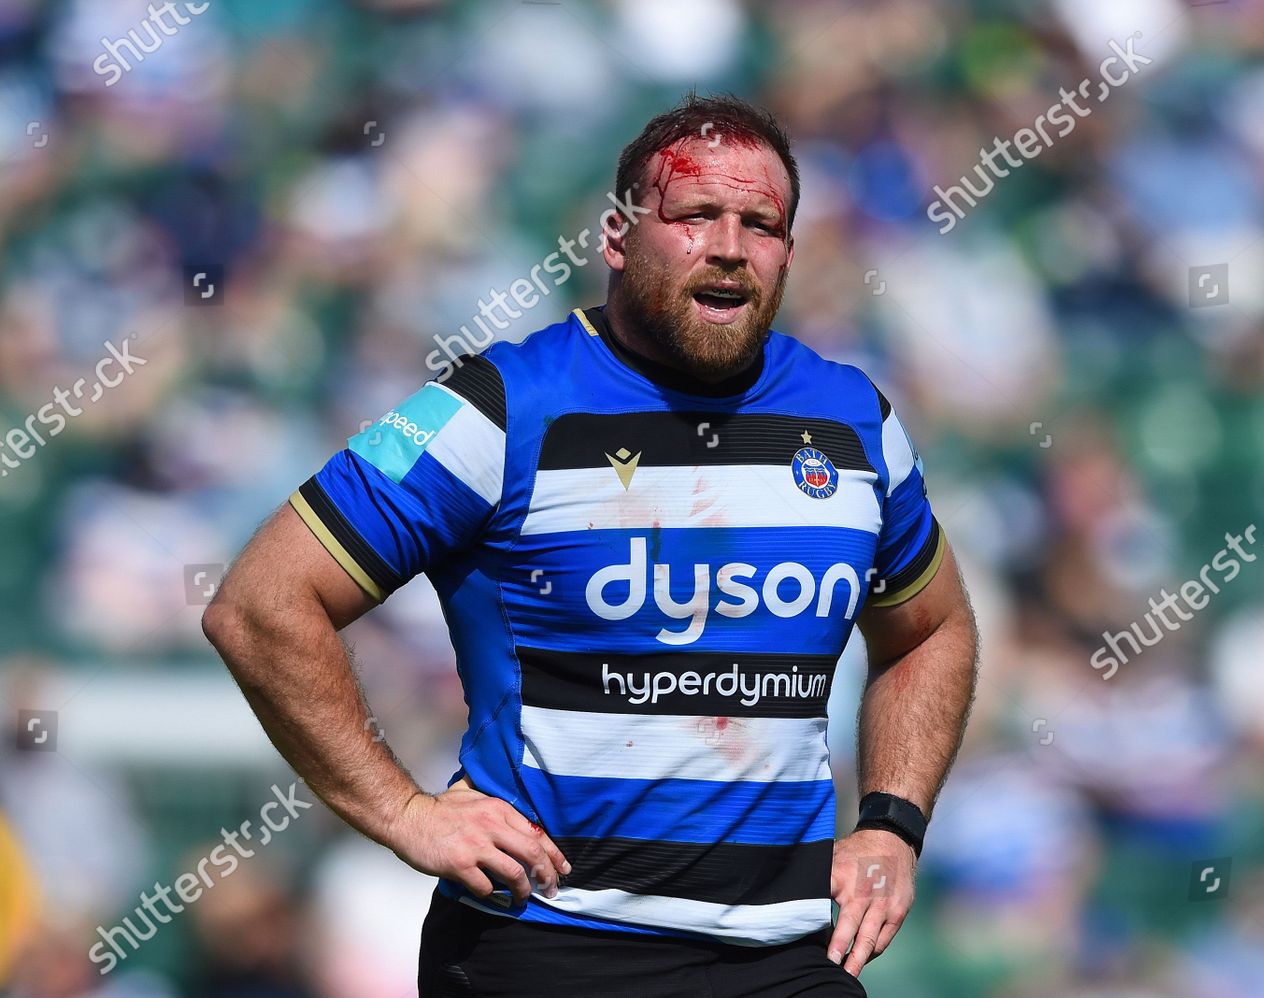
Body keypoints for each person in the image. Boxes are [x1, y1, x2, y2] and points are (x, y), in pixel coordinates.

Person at [204, 93, 979, 997]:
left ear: (787, 254)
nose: (729, 245)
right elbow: (260, 605)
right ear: (617, 237)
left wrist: (890, 822)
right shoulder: (497, 407)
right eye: (694, 215)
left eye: (760, 223)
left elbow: (931, 630)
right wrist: (402, 812)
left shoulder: (853, 420)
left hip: (783, 958)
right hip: (546, 947)